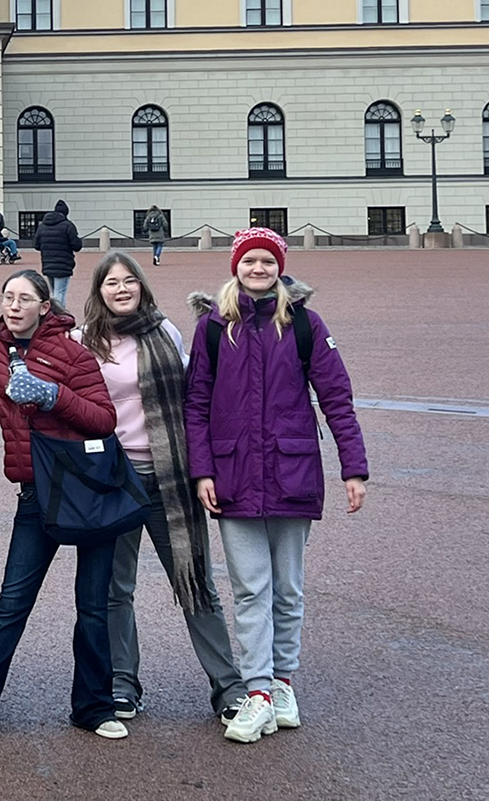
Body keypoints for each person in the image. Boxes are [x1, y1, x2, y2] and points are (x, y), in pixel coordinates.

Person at [185, 226, 369, 745]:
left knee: (286, 589)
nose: (259, 269)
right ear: (235, 267)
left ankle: (282, 681)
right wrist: (202, 470)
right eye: (250, 262)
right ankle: (259, 689)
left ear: (280, 267)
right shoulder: (215, 328)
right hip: (234, 473)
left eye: (268, 262)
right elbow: (195, 405)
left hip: (292, 472)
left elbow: (337, 399)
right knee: (249, 590)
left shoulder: (306, 325)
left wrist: (353, 468)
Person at [0, 269, 122, 743]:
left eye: (24, 299)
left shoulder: (73, 354)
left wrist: (54, 396)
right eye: (8, 297)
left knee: (93, 606)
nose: (14, 306)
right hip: (36, 495)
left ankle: (94, 707)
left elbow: (103, 419)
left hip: (87, 490)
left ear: (45, 306)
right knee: (11, 605)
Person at [79, 252, 241, 724]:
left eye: (129, 281)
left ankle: (227, 685)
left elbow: (201, 388)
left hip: (169, 477)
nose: (122, 289)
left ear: (142, 287)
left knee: (194, 582)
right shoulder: (85, 340)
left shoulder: (165, 332)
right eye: (112, 283)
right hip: (114, 480)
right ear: (99, 291)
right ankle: (123, 682)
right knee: (114, 589)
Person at [33, 199, 83, 306]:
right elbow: (77, 246)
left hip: (47, 263)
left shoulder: (42, 226)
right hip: (63, 264)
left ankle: (54, 314)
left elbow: (36, 245)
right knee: (60, 293)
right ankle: (58, 316)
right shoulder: (68, 225)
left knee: (54, 292)